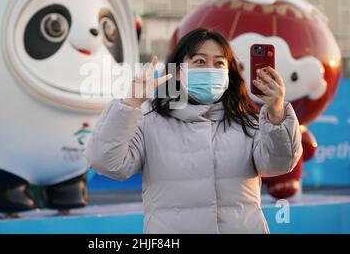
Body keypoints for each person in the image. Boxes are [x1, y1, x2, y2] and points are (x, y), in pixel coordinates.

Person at [84, 28, 302, 233]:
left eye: (219, 63)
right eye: (199, 61)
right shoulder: (150, 118)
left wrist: (275, 112)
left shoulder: (247, 119)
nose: (210, 69)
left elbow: (279, 164)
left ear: (228, 73)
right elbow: (107, 162)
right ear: (178, 72)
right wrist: (130, 103)